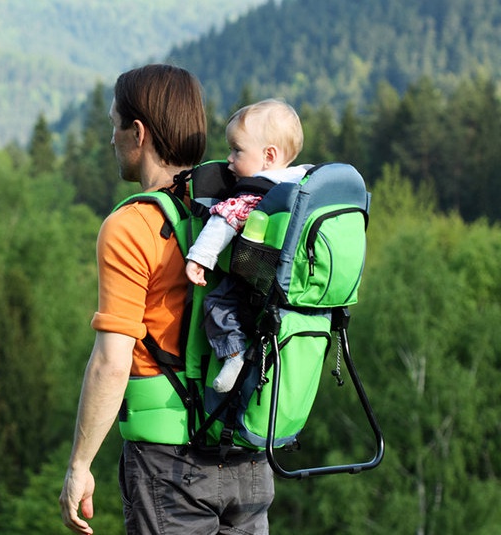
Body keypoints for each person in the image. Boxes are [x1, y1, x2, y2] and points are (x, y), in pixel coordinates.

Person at [59, 64, 275, 535]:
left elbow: (112, 363)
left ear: (138, 132)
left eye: (114, 125)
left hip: (170, 469)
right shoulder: (242, 205)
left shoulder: (131, 226)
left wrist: (79, 465)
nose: (110, 139)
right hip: (248, 456)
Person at [184, 99, 311, 392]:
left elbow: (222, 223)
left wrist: (198, 259)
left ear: (269, 155)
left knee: (216, 304)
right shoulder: (303, 182)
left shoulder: (253, 193)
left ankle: (234, 355)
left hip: (256, 276)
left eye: (237, 150)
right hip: (293, 283)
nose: (229, 159)